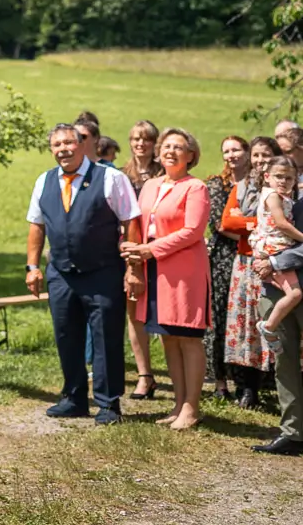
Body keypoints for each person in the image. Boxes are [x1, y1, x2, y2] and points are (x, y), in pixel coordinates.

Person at [24, 122, 138, 425]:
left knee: (106, 338)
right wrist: (32, 267)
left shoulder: (111, 178)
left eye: (69, 143)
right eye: (57, 145)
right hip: (60, 273)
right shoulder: (44, 181)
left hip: (102, 271)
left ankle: (108, 403)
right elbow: (37, 225)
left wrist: (132, 268)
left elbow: (131, 221)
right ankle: (73, 398)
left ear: (82, 145)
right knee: (66, 335)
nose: (63, 149)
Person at [122, 127, 211, 431]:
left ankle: (192, 406)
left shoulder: (195, 187)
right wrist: (134, 250)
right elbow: (138, 223)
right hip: (154, 270)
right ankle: (177, 404)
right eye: (166, 146)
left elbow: (193, 232)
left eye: (178, 147)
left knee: (188, 336)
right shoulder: (149, 186)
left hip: (184, 271)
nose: (170, 151)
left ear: (191, 156)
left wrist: (150, 249)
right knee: (168, 338)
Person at [225, 137, 281, 408]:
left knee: (269, 323)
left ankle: (277, 388)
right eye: (256, 155)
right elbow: (226, 222)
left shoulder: (283, 188)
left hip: (272, 264)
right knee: (245, 326)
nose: (260, 160)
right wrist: (257, 223)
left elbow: (278, 223)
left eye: (266, 155)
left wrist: (245, 221)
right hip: (244, 263)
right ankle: (248, 389)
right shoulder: (242, 186)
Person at [252, 180, 303, 455]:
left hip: (287, 280)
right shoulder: (279, 198)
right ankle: (293, 432)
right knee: (285, 362)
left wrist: (273, 262)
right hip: (276, 290)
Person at [122, 118, 165, 398]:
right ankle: (145, 375)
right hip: (129, 248)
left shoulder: (166, 172)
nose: (141, 144)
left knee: (164, 314)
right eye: (136, 138)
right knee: (134, 313)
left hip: (160, 248)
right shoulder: (121, 174)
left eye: (147, 139)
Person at [205, 135, 251, 399]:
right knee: (219, 317)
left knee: (246, 319)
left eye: (235, 150)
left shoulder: (258, 183)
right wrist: (254, 233)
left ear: (246, 152)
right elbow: (220, 225)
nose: (231, 155)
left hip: (250, 257)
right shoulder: (216, 184)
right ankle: (220, 382)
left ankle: (246, 382)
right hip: (222, 258)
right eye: (226, 151)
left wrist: (245, 227)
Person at [253, 156, 303, 338]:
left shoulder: (280, 195)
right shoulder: (272, 196)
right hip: (275, 249)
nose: (283, 181)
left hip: (276, 251)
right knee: (295, 294)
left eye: (288, 178)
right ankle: (268, 327)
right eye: (279, 176)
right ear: (267, 176)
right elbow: (281, 224)